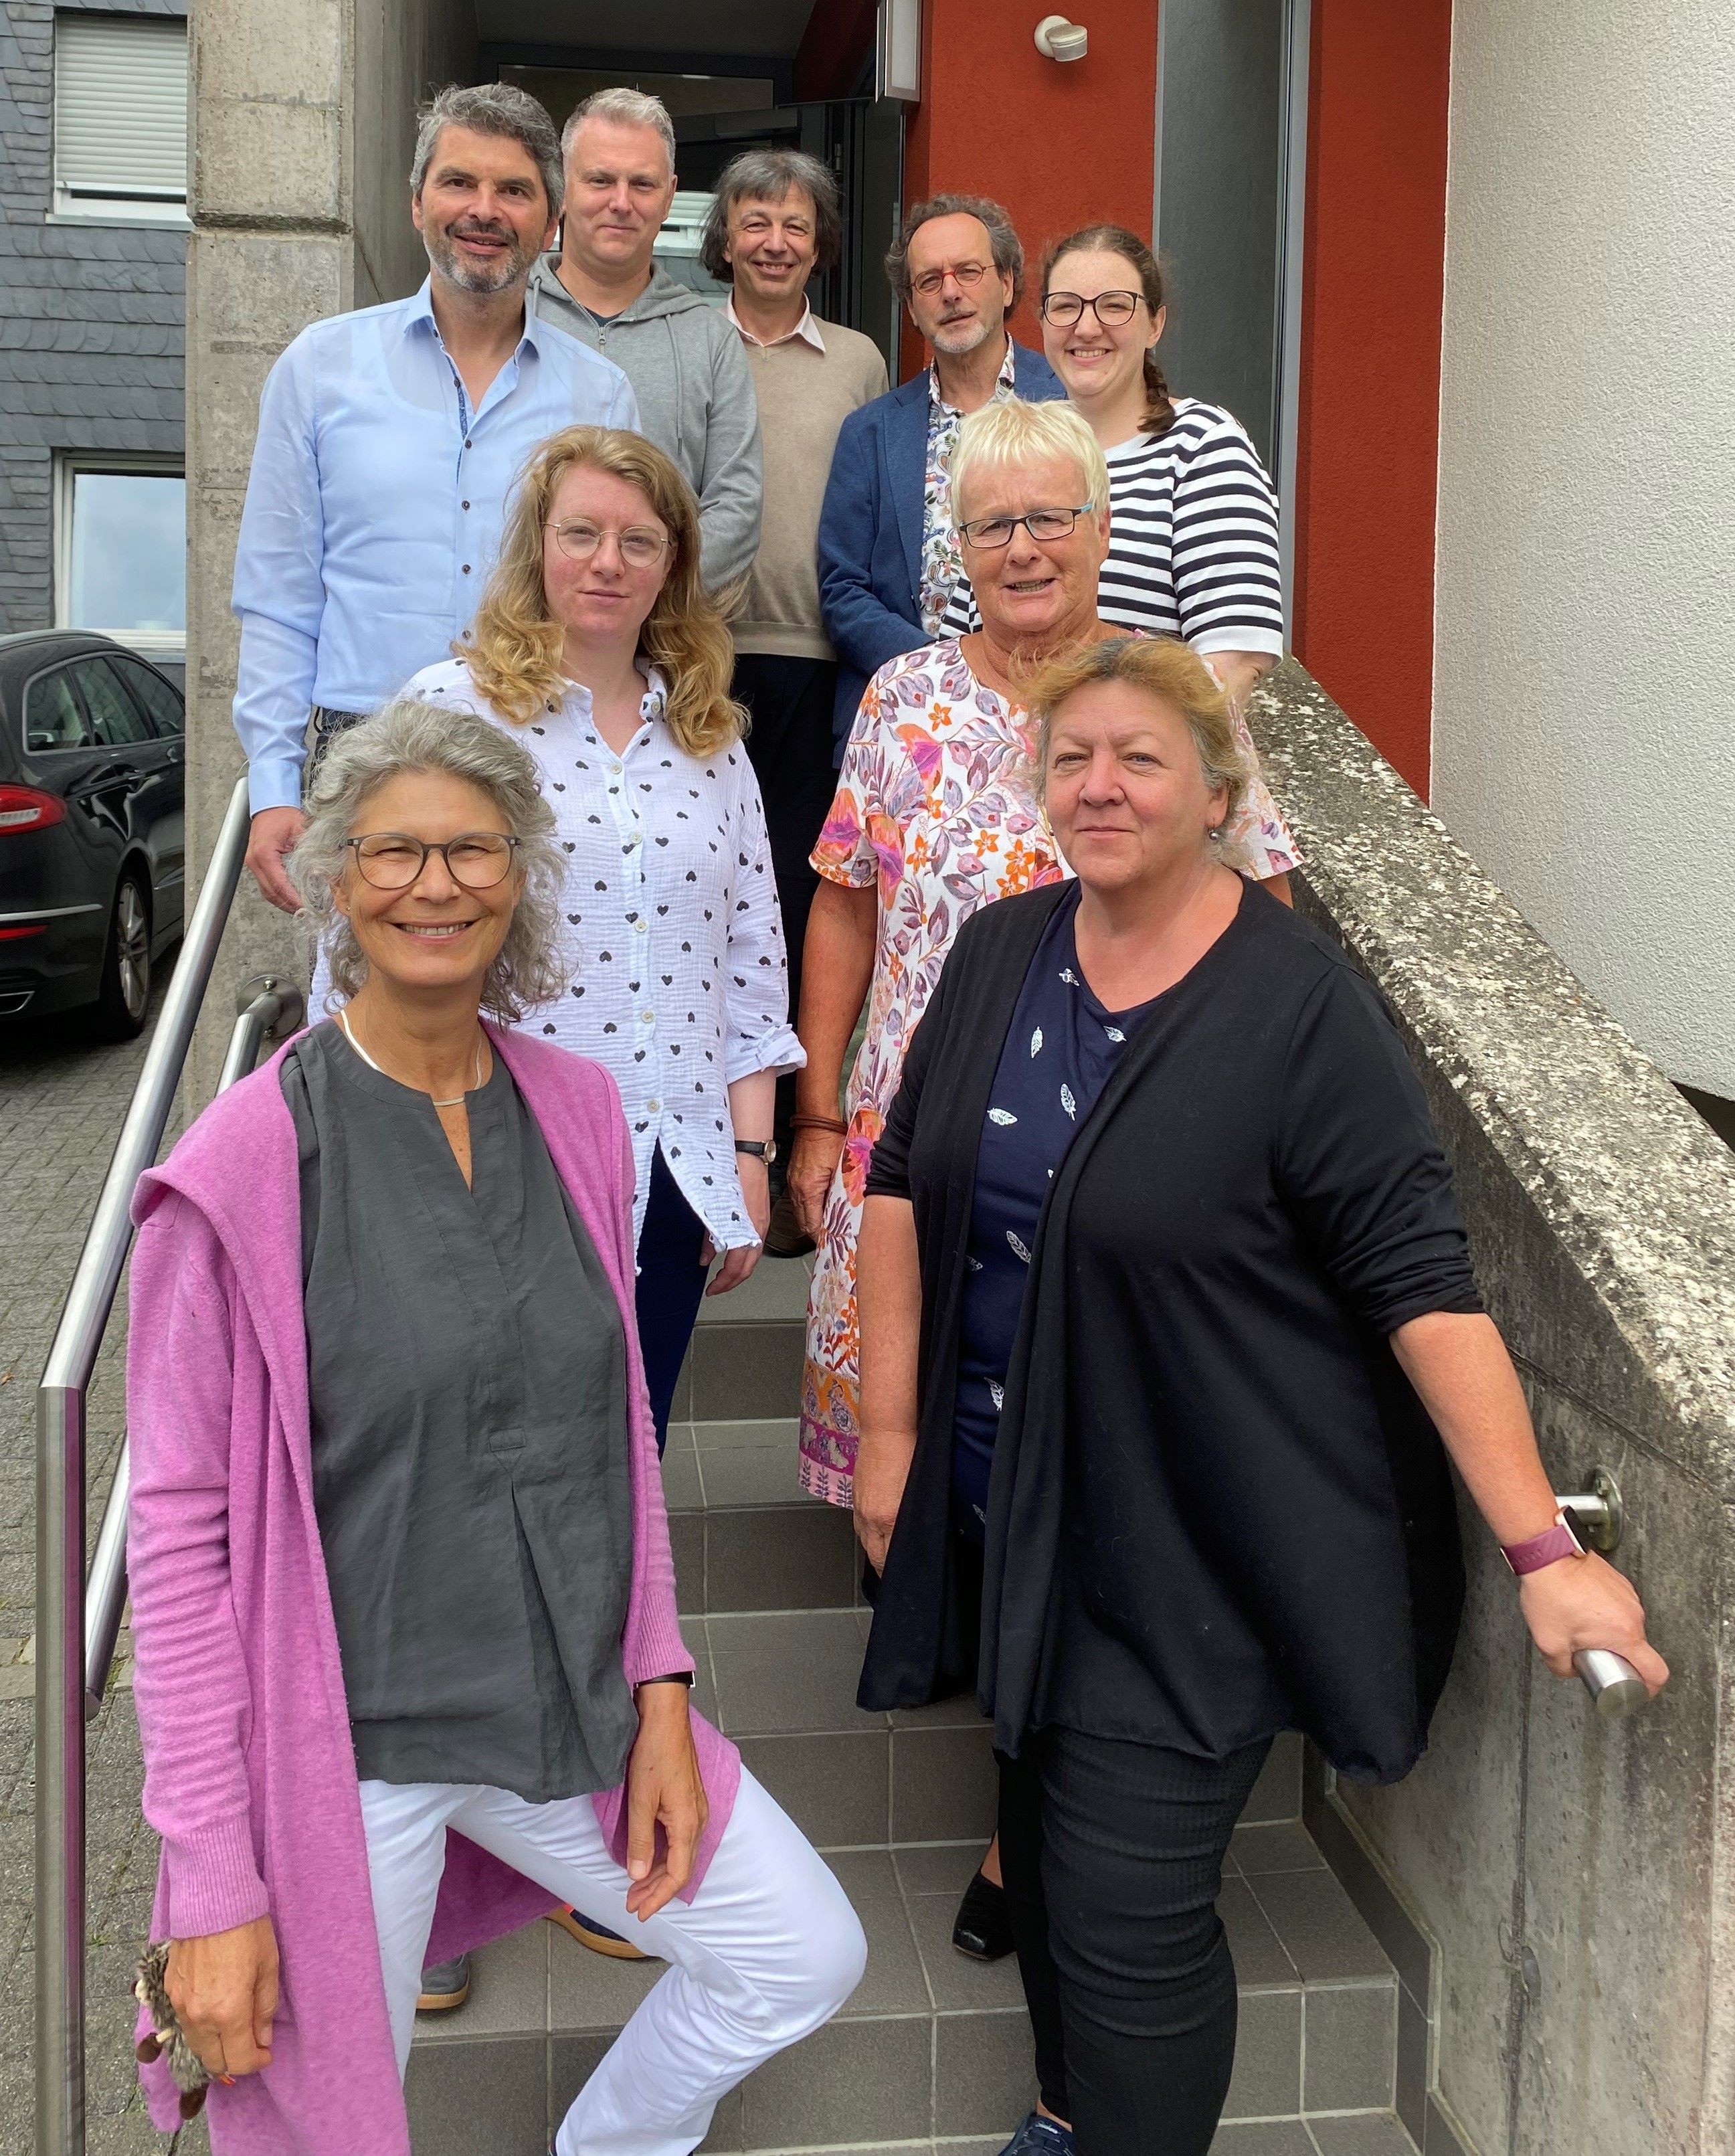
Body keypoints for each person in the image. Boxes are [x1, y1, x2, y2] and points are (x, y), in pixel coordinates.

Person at [850, 634, 1667, 2156]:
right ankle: (1059, 2109)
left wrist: (1542, 1552)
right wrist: (890, 1440)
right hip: (999, 1503)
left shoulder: (1297, 1010)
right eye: (1071, 756)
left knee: (1128, 1915)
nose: (1097, 784)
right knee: (1031, 1825)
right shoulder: (996, 952)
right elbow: (901, 1187)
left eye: (1139, 757)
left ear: (1218, 791)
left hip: (1189, 1542)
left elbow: (1423, 1290)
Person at [124, 702, 865, 2156]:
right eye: (395, 851)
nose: (437, 884)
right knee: (324, 2130)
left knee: (800, 1952)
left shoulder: (581, 1111)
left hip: (566, 1713)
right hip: (356, 1749)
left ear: (522, 877)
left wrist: (658, 1686)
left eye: (473, 849)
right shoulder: (244, 1165)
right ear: (337, 878)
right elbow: (177, 1541)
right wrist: (212, 1880)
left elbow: (614, 1451)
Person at [790, 397, 1296, 1969]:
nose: (1021, 548)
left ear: (1098, 528)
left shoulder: (1156, 696)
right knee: (946, 1502)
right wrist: (812, 1120)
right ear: (957, 545)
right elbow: (845, 914)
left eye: (1048, 519)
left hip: (1115, 1190)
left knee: (1085, 1508)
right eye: (990, 524)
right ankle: (1016, 1773)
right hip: (916, 1181)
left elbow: (1263, 905)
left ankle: (1035, 1839)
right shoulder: (901, 701)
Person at [405, 424, 800, 1453]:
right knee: (489, 1479)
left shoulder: (709, 738)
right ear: (539, 543)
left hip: (673, 1175)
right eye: (582, 531)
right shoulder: (454, 714)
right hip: (496, 1167)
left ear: (672, 564)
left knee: (628, 1477)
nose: (607, 561)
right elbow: (364, 950)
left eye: (639, 540)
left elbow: (753, 967)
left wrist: (748, 1154)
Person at [232, 80, 639, 913]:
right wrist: (274, 783)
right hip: (364, 748)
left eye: (514, 190)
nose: (483, 210)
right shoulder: (319, 368)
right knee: (372, 1021)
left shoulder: (603, 396)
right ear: (417, 202)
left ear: (551, 222)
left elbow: (619, 608)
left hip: (540, 746)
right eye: (459, 182)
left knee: (540, 1010)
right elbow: (277, 596)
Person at [699, 148, 889, 1247]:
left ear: (820, 245)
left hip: (819, 660)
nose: (774, 239)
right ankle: (710, 1144)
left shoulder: (857, 360)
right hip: (701, 657)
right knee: (714, 900)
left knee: (797, 905)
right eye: (754, 220)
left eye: (796, 224)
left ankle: (782, 1161)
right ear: (724, 236)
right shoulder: (688, 344)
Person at [941, 225, 1285, 717]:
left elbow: (1230, 662)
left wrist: (1101, 763)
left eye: (1114, 305)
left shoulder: (1201, 447)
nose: (1086, 327)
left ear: (1154, 324)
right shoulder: (1019, 450)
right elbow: (961, 642)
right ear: (1042, 323)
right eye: (1065, 306)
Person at [816, 194, 1066, 747]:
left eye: (969, 272)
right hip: (906, 724)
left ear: (1006, 284)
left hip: (1051, 717)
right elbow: (842, 588)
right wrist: (947, 672)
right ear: (911, 307)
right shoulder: (869, 432)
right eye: (928, 281)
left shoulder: (1067, 405)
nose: (950, 292)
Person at [529, 87, 762, 592]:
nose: (621, 202)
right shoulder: (507, 314)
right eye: (599, 180)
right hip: (510, 641)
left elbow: (736, 508)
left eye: (642, 184)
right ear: (562, 186)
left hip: (660, 649)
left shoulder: (710, 340)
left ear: (670, 195)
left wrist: (637, 596)